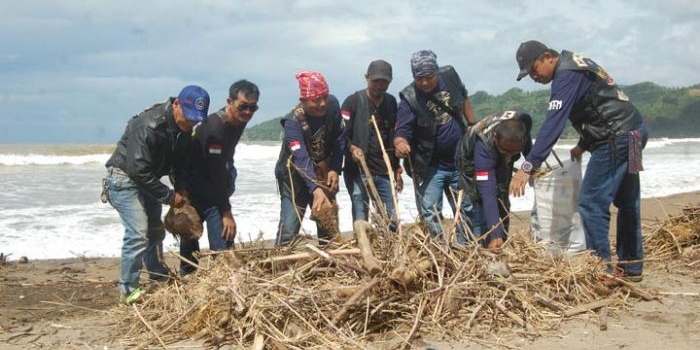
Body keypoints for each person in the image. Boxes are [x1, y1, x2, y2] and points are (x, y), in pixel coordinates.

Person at [510, 40, 648, 281]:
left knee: (591, 203)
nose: (533, 77)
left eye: (533, 69)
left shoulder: (565, 75)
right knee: (628, 202)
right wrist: (583, 144)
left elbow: (553, 124)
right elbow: (599, 101)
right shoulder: (576, 63)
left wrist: (527, 166)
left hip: (616, 139)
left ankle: (600, 270)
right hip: (635, 133)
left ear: (547, 57)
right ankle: (632, 268)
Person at [104, 85, 210, 303]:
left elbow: (180, 164)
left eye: (195, 120)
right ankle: (128, 288)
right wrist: (169, 197)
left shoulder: (184, 131)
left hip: (148, 179)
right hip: (124, 178)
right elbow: (137, 170)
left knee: (155, 229)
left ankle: (157, 273)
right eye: (188, 117)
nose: (190, 123)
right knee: (138, 233)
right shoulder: (149, 125)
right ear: (176, 104)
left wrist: (180, 187)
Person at [393, 50, 478, 244]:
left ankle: (463, 246)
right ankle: (439, 249)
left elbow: (463, 98)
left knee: (466, 207)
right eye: (419, 78)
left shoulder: (450, 76)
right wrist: (400, 143)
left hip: (459, 161)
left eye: (429, 77)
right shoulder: (409, 97)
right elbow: (402, 131)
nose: (424, 83)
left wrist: (473, 124)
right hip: (430, 165)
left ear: (437, 72)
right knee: (430, 212)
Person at [179, 80, 260, 275]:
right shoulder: (215, 128)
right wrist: (226, 212)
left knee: (223, 250)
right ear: (230, 102)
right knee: (195, 247)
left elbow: (223, 163)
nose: (248, 112)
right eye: (243, 106)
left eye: (253, 108)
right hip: (196, 189)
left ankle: (220, 279)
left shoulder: (239, 122)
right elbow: (215, 173)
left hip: (214, 185)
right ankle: (187, 283)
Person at [274, 71, 346, 246]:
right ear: (303, 100)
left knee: (328, 226)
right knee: (290, 228)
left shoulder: (333, 105)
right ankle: (278, 263)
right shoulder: (293, 122)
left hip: (323, 170)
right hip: (295, 176)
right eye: (315, 100)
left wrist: (335, 168)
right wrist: (314, 189)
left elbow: (340, 138)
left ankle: (330, 266)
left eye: (324, 97)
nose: (322, 104)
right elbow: (301, 157)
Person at [456, 110, 532, 249]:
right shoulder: (484, 144)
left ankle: (500, 243)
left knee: (502, 200)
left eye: (514, 152)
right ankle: (473, 249)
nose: (510, 156)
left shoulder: (524, 120)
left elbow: (527, 148)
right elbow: (487, 193)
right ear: (496, 138)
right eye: (506, 151)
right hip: (470, 164)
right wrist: (495, 233)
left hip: (498, 157)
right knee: (478, 208)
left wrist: (530, 164)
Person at [342, 60, 403, 228]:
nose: (380, 85)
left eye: (384, 81)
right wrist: (352, 148)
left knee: (391, 219)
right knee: (361, 215)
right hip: (359, 170)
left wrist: (397, 169)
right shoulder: (352, 102)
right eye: (376, 81)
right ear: (366, 78)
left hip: (385, 171)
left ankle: (388, 251)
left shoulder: (391, 103)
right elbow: (341, 136)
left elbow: (393, 136)